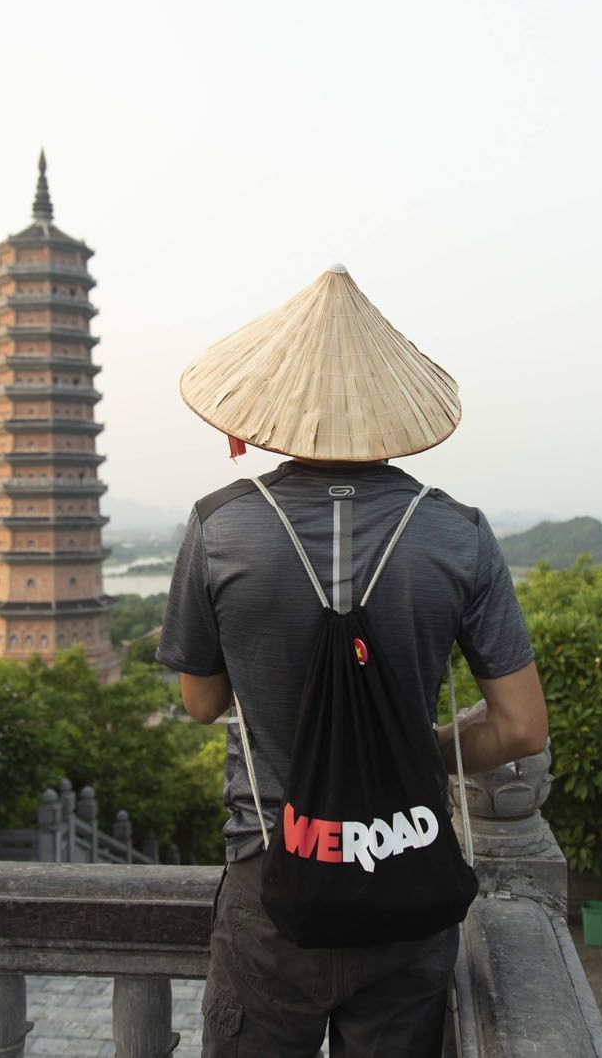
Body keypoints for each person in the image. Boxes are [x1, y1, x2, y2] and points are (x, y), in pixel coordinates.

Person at [157, 264, 549, 1058]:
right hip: (402, 870)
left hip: (270, 875)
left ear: (268, 412)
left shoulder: (220, 527)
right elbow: (520, 727)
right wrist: (412, 752)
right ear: (389, 417)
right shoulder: (458, 533)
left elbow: (201, 702)